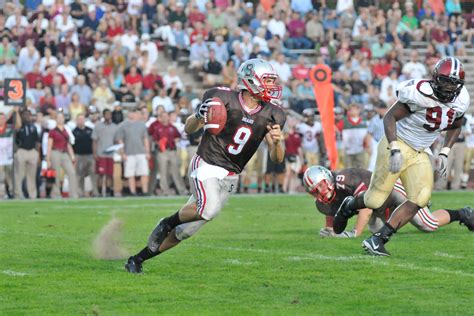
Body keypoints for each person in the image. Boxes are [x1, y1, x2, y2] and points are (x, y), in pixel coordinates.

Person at [125, 58, 286, 273]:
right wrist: (198, 115)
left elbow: (277, 158)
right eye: (266, 80)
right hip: (207, 163)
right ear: (250, 80)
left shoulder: (273, 113)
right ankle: (166, 222)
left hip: (231, 176)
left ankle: (137, 259)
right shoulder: (222, 98)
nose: (271, 86)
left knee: (185, 232)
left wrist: (277, 142)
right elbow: (189, 128)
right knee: (208, 209)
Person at [336, 57, 470, 256]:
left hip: (421, 150)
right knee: (375, 200)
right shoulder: (419, 93)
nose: (449, 88)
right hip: (397, 142)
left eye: (454, 83)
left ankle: (378, 239)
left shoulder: (461, 100)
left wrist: (444, 152)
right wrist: (394, 148)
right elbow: (389, 116)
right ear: (435, 78)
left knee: (421, 198)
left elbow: (457, 125)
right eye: (445, 81)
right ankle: (350, 205)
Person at [303, 166, 474, 238]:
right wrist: (330, 230)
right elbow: (333, 212)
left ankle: (463, 214)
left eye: (321, 186)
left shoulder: (346, 178)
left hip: (390, 189)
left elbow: (366, 205)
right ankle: (413, 209)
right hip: (379, 202)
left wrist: (354, 232)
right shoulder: (321, 203)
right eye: (315, 191)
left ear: (327, 178)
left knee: (427, 224)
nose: (321, 192)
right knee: (378, 231)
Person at [46, 112, 78, 199]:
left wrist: (72, 156)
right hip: (55, 152)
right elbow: (49, 145)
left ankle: (73, 194)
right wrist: (48, 159)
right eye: (58, 118)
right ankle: (56, 194)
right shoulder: (52, 132)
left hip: (64, 153)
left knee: (71, 172)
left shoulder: (66, 131)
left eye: (61, 118)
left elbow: (68, 144)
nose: (60, 119)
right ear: (56, 119)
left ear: (64, 119)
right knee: (56, 174)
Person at [14, 109, 40, 199]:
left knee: (31, 176)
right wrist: (17, 112)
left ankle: (32, 195)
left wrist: (37, 153)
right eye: (24, 115)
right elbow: (17, 127)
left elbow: (37, 141)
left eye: (28, 115)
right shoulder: (19, 126)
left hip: (32, 151)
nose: (27, 116)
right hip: (22, 151)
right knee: (19, 175)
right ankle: (18, 194)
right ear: (21, 116)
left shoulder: (33, 127)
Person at [92, 109, 118, 197]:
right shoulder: (98, 126)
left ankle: (109, 191)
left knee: (110, 174)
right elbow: (94, 140)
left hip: (110, 154)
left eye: (110, 114)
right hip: (101, 153)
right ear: (103, 115)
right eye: (107, 114)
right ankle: (99, 191)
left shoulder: (114, 127)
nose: (108, 116)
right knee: (101, 174)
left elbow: (116, 140)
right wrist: (95, 153)